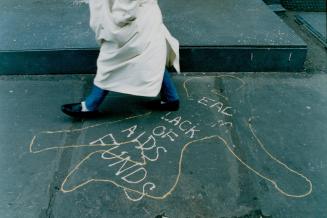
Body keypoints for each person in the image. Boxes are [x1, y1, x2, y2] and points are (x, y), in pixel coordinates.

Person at [61, 0, 180, 118]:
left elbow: (126, 9)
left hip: (132, 23)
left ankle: (90, 106)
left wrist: (117, 19)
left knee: (110, 62)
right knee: (150, 58)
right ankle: (171, 98)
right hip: (145, 17)